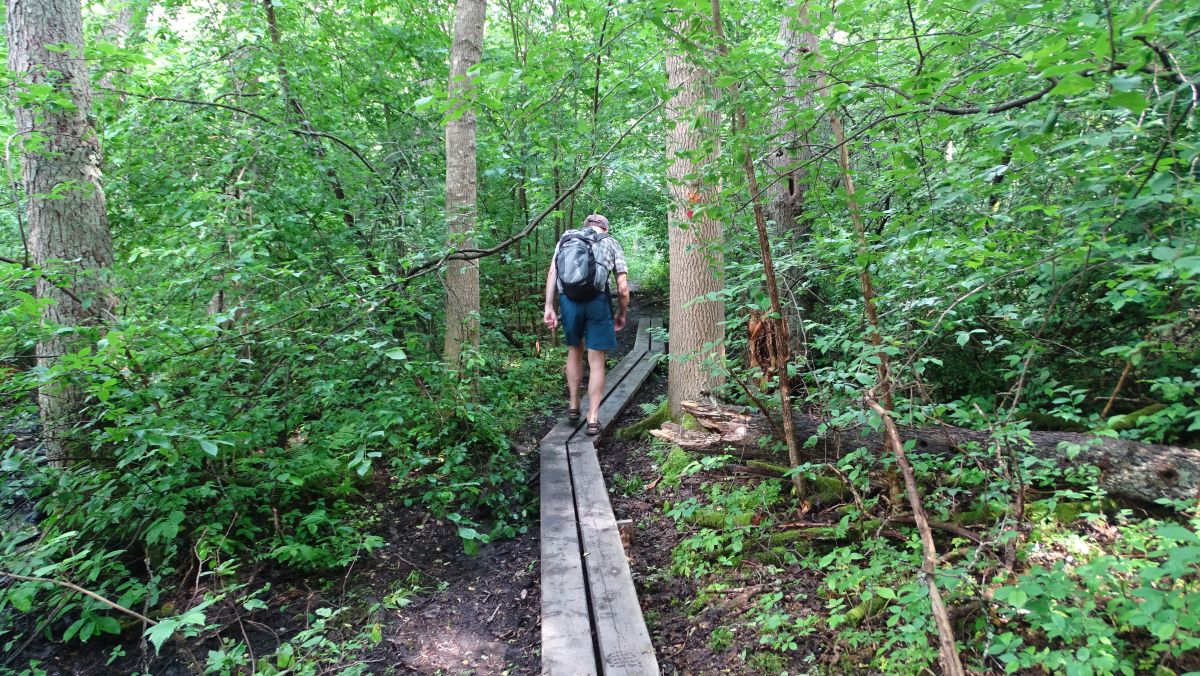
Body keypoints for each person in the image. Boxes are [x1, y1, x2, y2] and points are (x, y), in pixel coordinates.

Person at [543, 214, 630, 436]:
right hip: (597, 301)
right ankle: (592, 419)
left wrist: (548, 307)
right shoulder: (611, 243)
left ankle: (573, 405)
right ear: (605, 228)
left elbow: (553, 272)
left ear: (587, 226)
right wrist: (621, 312)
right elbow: (622, 288)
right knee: (597, 360)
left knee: (574, 349)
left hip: (568, 300)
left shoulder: (567, 238)